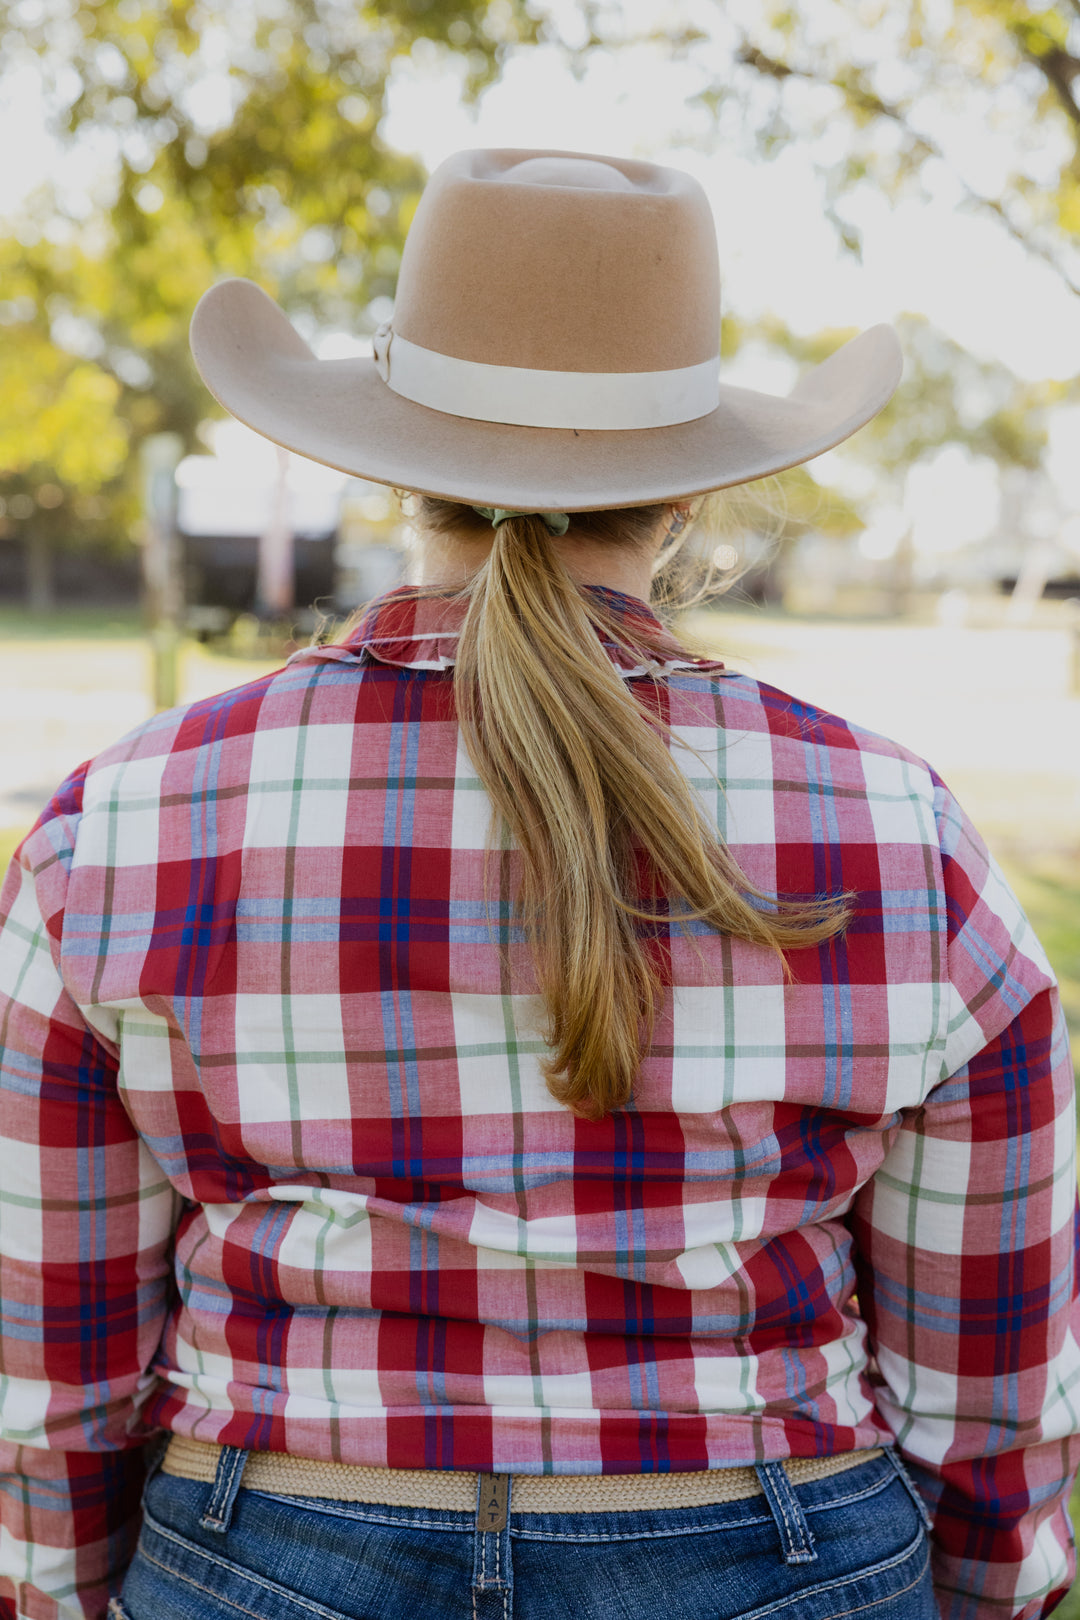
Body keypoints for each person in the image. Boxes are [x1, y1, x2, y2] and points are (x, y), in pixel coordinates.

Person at [0, 146, 1076, 1620]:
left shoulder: (123, 821)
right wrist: (990, 1588)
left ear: (395, 463)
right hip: (774, 1542)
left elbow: (54, 1358)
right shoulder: (900, 828)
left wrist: (57, 1587)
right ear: (685, 497)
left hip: (268, 1542)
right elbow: (986, 1382)